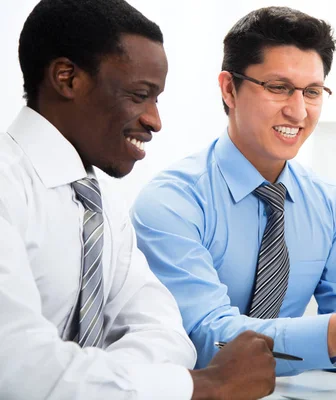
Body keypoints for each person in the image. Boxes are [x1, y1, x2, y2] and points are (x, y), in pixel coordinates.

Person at [0, 1, 276, 399]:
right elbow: (17, 369)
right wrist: (203, 385)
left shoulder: (101, 206)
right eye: (139, 94)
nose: (154, 120)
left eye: (157, 99)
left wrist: (97, 385)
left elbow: (167, 334)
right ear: (67, 78)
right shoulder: (8, 189)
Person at [131, 6, 336, 376]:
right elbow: (202, 338)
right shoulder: (172, 202)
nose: (298, 112)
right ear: (228, 89)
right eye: (279, 88)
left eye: (313, 92)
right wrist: (333, 335)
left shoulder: (331, 206)